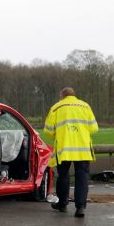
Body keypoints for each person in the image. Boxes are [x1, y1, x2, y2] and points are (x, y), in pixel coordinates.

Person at [43, 87, 98, 218]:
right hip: (82, 150)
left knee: (63, 176)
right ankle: (80, 208)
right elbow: (94, 128)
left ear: (62, 96)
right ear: (74, 95)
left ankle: (62, 204)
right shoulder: (85, 106)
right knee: (82, 178)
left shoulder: (56, 108)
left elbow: (48, 130)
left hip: (64, 149)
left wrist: (59, 135)